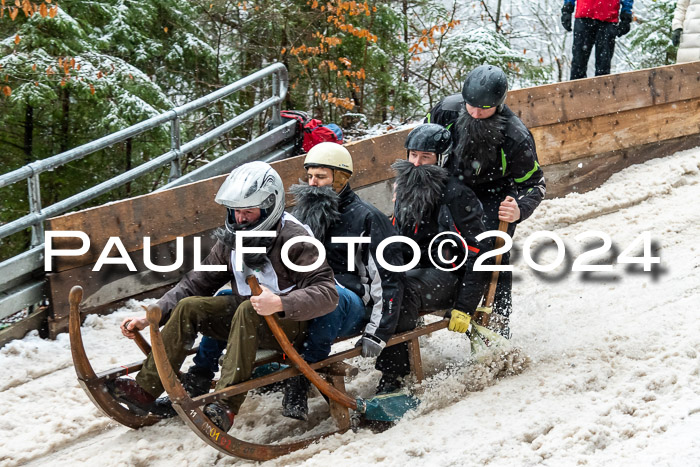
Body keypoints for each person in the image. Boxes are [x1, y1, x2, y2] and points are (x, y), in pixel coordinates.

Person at [106, 161, 339, 432]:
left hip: (291, 325)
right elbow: (196, 283)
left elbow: (326, 292)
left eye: (248, 212)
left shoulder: (295, 237)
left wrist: (280, 302)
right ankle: (146, 388)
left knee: (248, 310)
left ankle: (225, 402)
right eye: (235, 211)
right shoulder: (231, 238)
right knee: (191, 306)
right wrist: (152, 315)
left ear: (269, 206)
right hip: (248, 317)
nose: (240, 219)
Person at [283, 142, 405, 418]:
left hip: (352, 303)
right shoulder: (303, 217)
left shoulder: (366, 218)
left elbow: (387, 279)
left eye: (322, 177)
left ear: (341, 178)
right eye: (310, 177)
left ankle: (302, 378)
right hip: (311, 294)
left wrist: (379, 330)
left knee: (329, 302)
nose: (314, 184)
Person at [425, 65, 546, 338]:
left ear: (499, 104)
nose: (476, 113)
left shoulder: (515, 136)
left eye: (485, 108)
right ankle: (435, 300)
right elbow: (422, 148)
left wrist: (519, 209)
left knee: (491, 251)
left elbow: (535, 184)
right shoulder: (445, 112)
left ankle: (498, 321)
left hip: (493, 195)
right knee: (432, 236)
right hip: (451, 185)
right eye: (471, 105)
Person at [376, 124, 491, 389]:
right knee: (381, 282)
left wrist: (465, 306)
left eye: (425, 157)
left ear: (440, 159)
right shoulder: (403, 189)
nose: (416, 163)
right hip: (415, 268)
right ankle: (386, 347)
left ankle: (395, 376)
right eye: (412, 155)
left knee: (401, 293)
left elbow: (478, 252)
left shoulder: (457, 195)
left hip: (450, 275)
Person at [561, 0, 634, 79]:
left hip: (608, 19)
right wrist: (567, 8)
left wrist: (626, 14)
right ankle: (577, 90)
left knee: (604, 66)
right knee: (578, 63)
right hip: (584, 16)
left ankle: (602, 90)